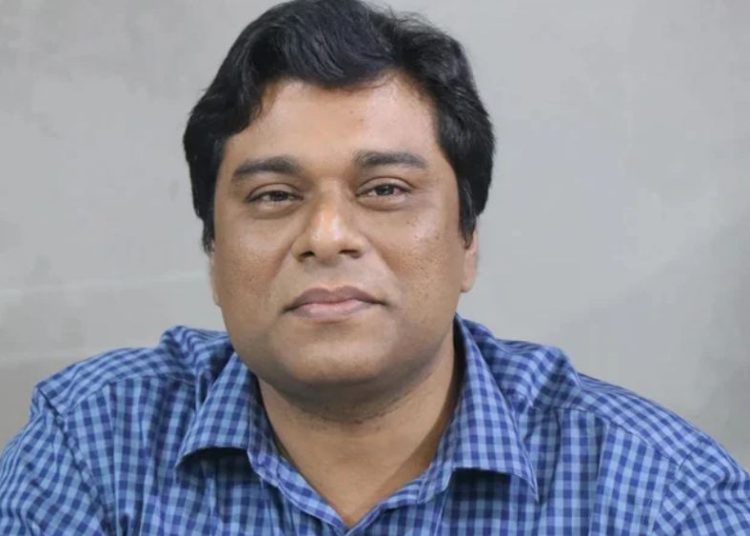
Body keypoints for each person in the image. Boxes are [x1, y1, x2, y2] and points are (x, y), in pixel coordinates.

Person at [1, 0, 748, 533]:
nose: (327, 237)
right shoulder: (95, 445)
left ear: (468, 240)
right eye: (274, 195)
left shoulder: (658, 494)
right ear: (213, 253)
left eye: (385, 189)